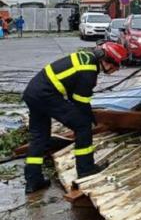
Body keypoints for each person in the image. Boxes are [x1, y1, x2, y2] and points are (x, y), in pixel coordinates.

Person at [23, 42, 127, 194]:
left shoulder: (85, 58)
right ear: (107, 61)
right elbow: (80, 100)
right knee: (83, 126)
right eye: (116, 65)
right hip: (46, 95)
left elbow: (73, 94)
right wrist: (88, 117)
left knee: (39, 137)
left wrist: (85, 112)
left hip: (33, 93)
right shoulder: (90, 69)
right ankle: (86, 169)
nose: (115, 69)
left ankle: (33, 181)